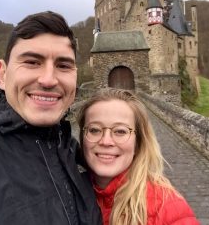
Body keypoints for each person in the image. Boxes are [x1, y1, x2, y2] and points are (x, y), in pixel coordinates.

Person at [0, 11, 102, 225]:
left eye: (63, 65)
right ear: (2, 75)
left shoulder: (71, 149)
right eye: (32, 62)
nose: (49, 80)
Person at [77, 88, 200, 225]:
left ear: (138, 142)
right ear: (82, 138)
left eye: (120, 131)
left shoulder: (167, 206)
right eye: (94, 130)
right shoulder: (64, 194)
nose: (106, 141)